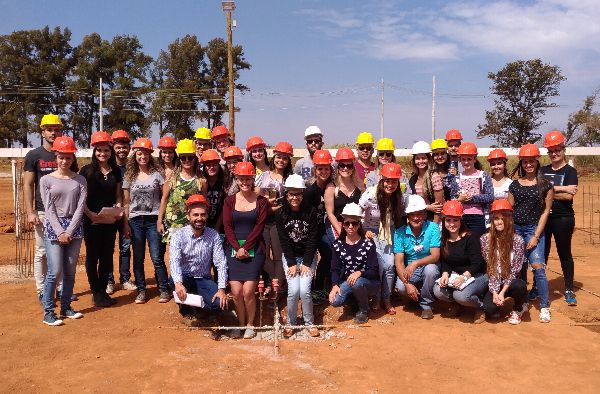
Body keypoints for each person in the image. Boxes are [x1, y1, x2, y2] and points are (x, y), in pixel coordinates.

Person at [39, 136, 87, 326]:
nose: (65, 161)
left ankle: (66, 307)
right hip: (54, 228)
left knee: (69, 271)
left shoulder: (80, 180)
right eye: (61, 157)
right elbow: (48, 208)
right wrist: (60, 231)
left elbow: (80, 207)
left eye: (68, 157)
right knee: (54, 271)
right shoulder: (46, 180)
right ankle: (48, 311)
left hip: (74, 228)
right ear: (55, 157)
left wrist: (70, 230)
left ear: (73, 158)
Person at [508, 143, 554, 323]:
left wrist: (536, 236)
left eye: (531, 161)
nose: (528, 165)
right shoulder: (515, 185)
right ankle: (521, 305)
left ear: (537, 162)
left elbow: (545, 212)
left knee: (538, 267)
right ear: (521, 163)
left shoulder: (545, 185)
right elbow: (509, 210)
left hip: (533, 229)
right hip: (516, 229)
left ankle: (544, 306)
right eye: (525, 161)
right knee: (519, 269)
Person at [223, 162, 268, 339]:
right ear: (237, 179)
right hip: (233, 250)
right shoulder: (229, 201)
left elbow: (259, 226)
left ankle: (251, 324)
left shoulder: (262, 202)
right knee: (236, 291)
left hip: (255, 250)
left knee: (249, 291)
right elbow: (227, 227)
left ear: (253, 179)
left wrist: (246, 247)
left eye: (248, 178)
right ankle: (240, 324)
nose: (245, 182)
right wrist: (237, 247)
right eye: (241, 178)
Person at [122, 138, 170, 304]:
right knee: (138, 257)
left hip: (152, 220)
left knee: (157, 257)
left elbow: (164, 197)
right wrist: (125, 224)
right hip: (135, 221)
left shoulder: (158, 175)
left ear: (150, 155)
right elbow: (126, 203)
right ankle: (141, 290)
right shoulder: (129, 176)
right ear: (135, 155)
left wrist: (159, 220)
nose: (142, 157)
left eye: (146, 154)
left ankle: (163, 289)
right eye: (139, 153)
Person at [24, 114, 66, 303]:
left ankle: (61, 287)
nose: (53, 133)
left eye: (57, 129)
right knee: (42, 252)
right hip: (42, 211)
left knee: (61, 251)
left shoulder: (64, 153)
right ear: (42, 131)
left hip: (64, 212)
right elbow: (28, 184)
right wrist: (31, 211)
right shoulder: (34, 155)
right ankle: (42, 290)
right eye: (50, 129)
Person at [169, 195, 228, 326]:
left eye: (203, 214)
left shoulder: (213, 235)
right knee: (174, 281)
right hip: (185, 278)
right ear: (188, 215)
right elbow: (175, 261)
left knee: (219, 304)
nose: (199, 218)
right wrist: (178, 283)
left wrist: (222, 289)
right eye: (195, 215)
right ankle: (186, 312)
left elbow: (221, 263)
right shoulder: (178, 236)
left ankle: (202, 309)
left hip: (203, 279)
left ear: (207, 215)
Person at [80, 131, 123, 308]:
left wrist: (118, 211)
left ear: (111, 151)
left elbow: (118, 194)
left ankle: (103, 291)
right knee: (92, 256)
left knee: (106, 256)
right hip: (91, 220)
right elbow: (80, 197)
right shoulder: (86, 171)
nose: (102, 154)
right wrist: (90, 214)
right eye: (99, 150)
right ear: (94, 151)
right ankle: (96, 292)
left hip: (109, 221)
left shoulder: (117, 171)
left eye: (106, 150)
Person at [276, 174, 320, 338]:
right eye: (291, 194)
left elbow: (313, 239)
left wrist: (307, 263)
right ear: (286, 195)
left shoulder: (311, 212)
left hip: (308, 257)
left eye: (298, 194)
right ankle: (291, 322)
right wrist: (292, 263)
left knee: (305, 290)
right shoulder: (281, 214)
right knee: (294, 290)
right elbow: (284, 241)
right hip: (291, 257)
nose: (295, 197)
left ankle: (309, 322)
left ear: (303, 194)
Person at [359, 162, 404, 315]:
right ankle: (377, 298)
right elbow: (357, 214)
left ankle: (387, 298)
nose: (390, 184)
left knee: (390, 265)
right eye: (387, 180)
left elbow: (399, 218)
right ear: (381, 179)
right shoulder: (370, 194)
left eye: (394, 181)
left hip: (388, 231)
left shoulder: (399, 196)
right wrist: (363, 230)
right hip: (370, 231)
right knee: (379, 265)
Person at [433, 201, 488, 323]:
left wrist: (463, 277)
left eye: (455, 220)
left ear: (460, 220)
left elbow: (477, 263)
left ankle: (480, 306)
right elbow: (446, 262)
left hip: (477, 275)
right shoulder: (444, 239)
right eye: (448, 220)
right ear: (444, 221)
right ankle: (457, 305)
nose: (451, 224)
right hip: (457, 277)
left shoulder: (470, 237)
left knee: (461, 296)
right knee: (438, 290)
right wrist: (445, 274)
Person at [542, 131, 578, 306]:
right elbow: (538, 192)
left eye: (557, 150)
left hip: (563, 218)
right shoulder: (543, 170)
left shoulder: (571, 171)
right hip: (543, 219)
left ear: (563, 150)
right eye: (551, 151)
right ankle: (538, 286)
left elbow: (569, 198)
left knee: (565, 253)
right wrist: (563, 189)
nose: (554, 153)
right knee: (542, 254)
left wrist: (549, 191)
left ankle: (569, 288)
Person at [329, 203, 380, 324]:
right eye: (347, 223)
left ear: (359, 224)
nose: (350, 226)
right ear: (343, 225)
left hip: (369, 282)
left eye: (354, 223)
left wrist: (360, 272)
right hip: (349, 281)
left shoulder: (368, 244)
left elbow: (374, 270)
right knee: (334, 301)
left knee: (357, 283)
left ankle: (364, 309)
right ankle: (354, 301)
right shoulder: (337, 245)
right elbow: (335, 268)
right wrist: (335, 285)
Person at [480, 199, 528, 324]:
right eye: (496, 218)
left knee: (520, 286)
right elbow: (491, 267)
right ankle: (496, 303)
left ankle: (518, 309)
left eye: (503, 218)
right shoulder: (485, 239)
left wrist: (502, 292)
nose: (499, 222)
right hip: (495, 280)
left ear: (510, 220)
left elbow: (515, 271)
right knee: (489, 309)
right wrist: (495, 293)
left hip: (510, 282)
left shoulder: (518, 241)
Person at [394, 195, 441, 319]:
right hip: (410, 270)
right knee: (401, 288)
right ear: (407, 216)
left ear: (425, 214)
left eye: (419, 214)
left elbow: (435, 256)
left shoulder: (433, 228)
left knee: (430, 270)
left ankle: (426, 305)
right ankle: (414, 299)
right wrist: (407, 284)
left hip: (428, 264)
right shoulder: (399, 233)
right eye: (412, 214)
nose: (416, 218)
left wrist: (415, 263)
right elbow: (399, 262)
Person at [255, 141, 294, 289]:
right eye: (279, 157)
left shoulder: (290, 179)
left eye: (285, 158)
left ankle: (277, 288)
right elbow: (256, 198)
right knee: (262, 256)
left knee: (278, 256)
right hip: (264, 220)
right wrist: (266, 202)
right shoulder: (263, 176)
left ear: (289, 160)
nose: (281, 161)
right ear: (274, 157)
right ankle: (277, 279)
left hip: (281, 222)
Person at [157, 139, 207, 242]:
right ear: (179, 159)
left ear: (195, 159)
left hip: (193, 224)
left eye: (190, 157)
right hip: (173, 224)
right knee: (175, 257)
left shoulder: (201, 181)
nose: (187, 160)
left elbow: (204, 204)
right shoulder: (172, 177)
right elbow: (164, 199)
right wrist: (159, 221)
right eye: (183, 158)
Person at [303, 150, 336, 304]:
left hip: (323, 228)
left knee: (328, 253)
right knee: (309, 258)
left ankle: (319, 286)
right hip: (309, 229)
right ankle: (308, 290)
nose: (323, 172)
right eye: (320, 168)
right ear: (315, 170)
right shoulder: (310, 190)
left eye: (326, 168)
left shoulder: (332, 186)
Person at [107, 129, 136, 293]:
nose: (121, 150)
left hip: (128, 213)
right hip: (110, 212)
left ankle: (125, 278)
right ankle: (109, 280)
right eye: (118, 147)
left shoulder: (133, 167)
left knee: (125, 247)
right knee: (108, 247)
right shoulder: (108, 166)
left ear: (129, 147)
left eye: (124, 146)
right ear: (113, 147)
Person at [449, 142, 493, 235]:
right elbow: (452, 199)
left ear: (475, 159)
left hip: (479, 217)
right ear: (459, 160)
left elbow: (490, 196)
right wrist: (459, 200)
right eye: (463, 159)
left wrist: (472, 198)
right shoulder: (457, 178)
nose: (466, 162)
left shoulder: (483, 176)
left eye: (469, 159)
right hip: (461, 217)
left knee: (476, 245)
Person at [325, 148, 364, 243]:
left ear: (353, 167)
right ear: (338, 167)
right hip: (337, 225)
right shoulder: (331, 187)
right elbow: (330, 213)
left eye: (349, 166)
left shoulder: (360, 186)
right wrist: (340, 231)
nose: (345, 168)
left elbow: (363, 209)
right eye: (342, 165)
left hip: (354, 225)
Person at [409, 141, 444, 222]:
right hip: (419, 220)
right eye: (417, 158)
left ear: (428, 159)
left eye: (423, 158)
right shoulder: (413, 179)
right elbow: (413, 202)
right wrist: (427, 207)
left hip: (434, 220)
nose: (421, 161)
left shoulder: (434, 177)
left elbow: (438, 207)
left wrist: (434, 227)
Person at [201, 149, 226, 232]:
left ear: (219, 165)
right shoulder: (201, 182)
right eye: (208, 165)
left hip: (220, 225)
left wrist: (217, 226)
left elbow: (224, 207)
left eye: (214, 164)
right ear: (204, 167)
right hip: (202, 223)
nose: (211, 167)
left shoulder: (224, 183)